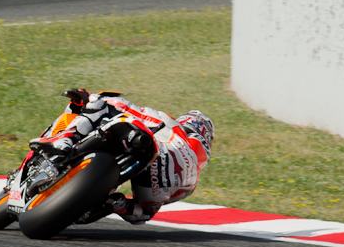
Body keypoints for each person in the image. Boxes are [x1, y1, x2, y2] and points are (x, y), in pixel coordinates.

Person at [32, 89, 214, 225]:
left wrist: (94, 97)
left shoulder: (173, 126)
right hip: (157, 186)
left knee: (99, 103)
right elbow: (152, 209)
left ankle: (66, 139)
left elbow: (134, 110)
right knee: (142, 213)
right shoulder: (193, 180)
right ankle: (112, 204)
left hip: (149, 146)